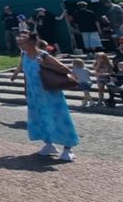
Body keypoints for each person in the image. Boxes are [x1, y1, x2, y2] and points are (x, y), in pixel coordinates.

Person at [9, 33, 79, 161]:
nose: (20, 46)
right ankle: (48, 144)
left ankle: (68, 148)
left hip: (50, 93)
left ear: (31, 43)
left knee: (59, 118)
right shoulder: (24, 55)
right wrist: (24, 87)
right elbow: (25, 72)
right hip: (34, 94)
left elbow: (66, 70)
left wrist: (45, 65)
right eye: (18, 43)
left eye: (22, 43)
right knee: (40, 118)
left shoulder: (43, 55)